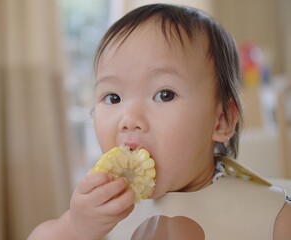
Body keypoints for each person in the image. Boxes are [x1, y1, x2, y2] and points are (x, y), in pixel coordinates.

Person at [28, 3, 291, 240]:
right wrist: (75, 227)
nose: (129, 119)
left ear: (221, 120)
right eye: (113, 97)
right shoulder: (104, 211)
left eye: (164, 95)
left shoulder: (274, 217)